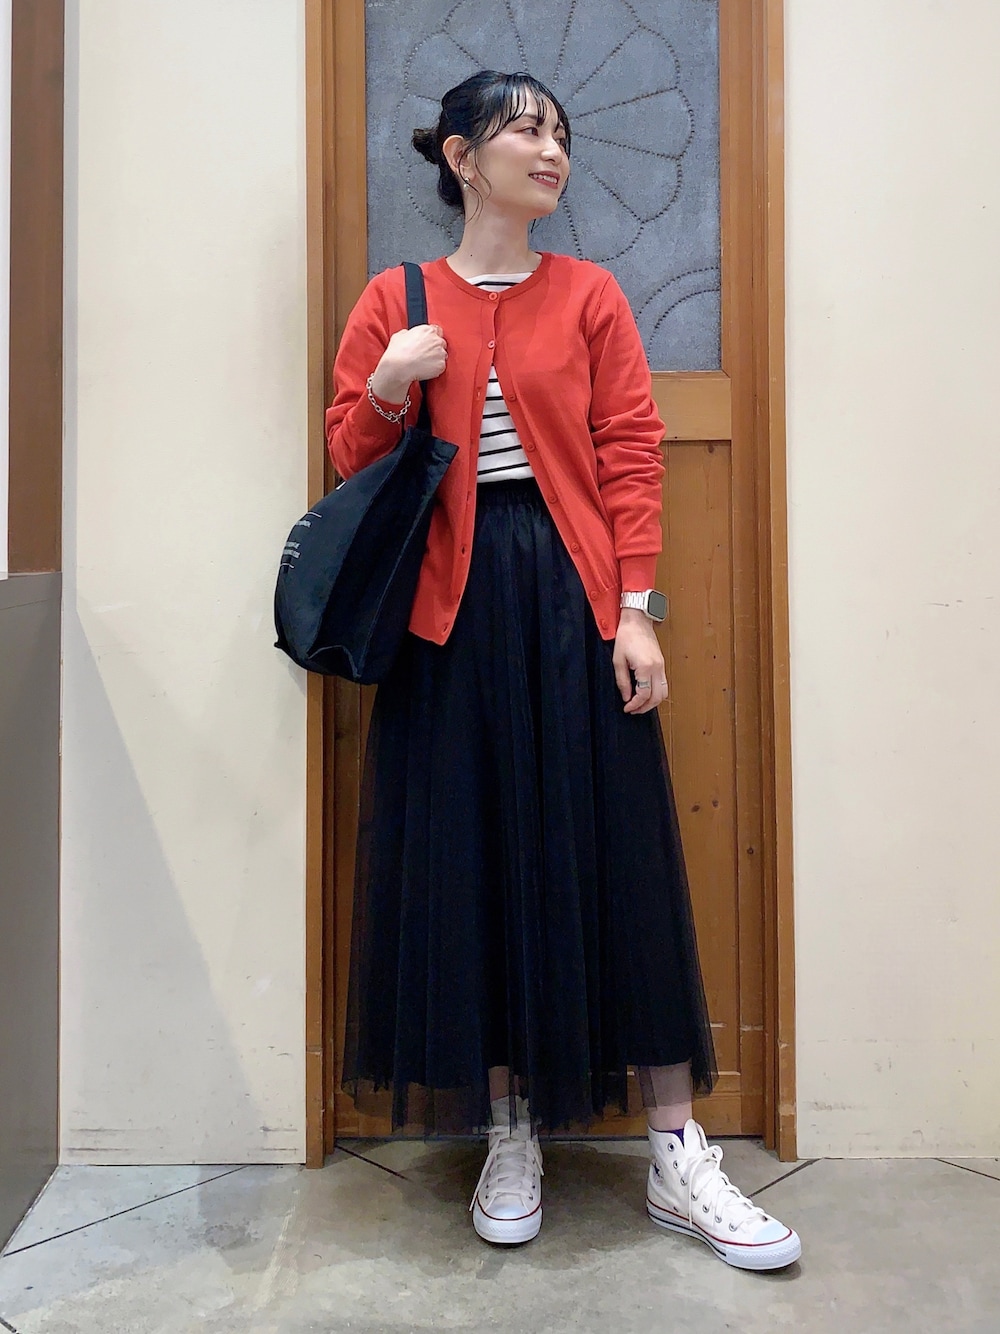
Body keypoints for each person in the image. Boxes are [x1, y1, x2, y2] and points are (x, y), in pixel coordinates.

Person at [325, 70, 800, 1271]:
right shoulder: (395, 297)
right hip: (443, 615)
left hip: (572, 596)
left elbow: (631, 448)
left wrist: (634, 609)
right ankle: (507, 1131)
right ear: (459, 157)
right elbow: (349, 459)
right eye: (525, 130)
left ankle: (678, 1149)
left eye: (558, 134)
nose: (550, 151)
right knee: (469, 858)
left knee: (619, 852)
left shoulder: (589, 294)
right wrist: (389, 382)